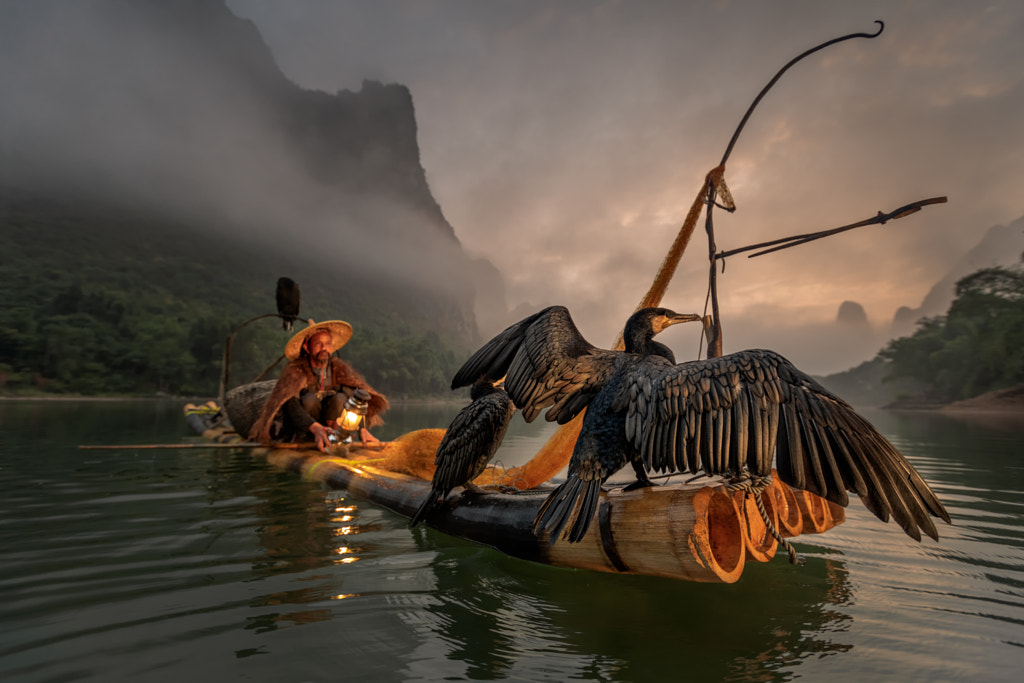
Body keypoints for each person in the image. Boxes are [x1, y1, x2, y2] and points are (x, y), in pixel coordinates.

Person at [248, 320, 389, 452]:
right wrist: (316, 428)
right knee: (310, 400)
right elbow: (290, 404)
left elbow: (355, 397)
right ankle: (307, 438)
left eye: (327, 343)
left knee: (340, 398)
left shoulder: (338, 369)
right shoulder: (296, 370)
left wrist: (362, 429)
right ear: (307, 347)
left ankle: (336, 437)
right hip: (306, 427)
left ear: (332, 347)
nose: (324, 348)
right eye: (318, 344)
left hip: (330, 427)